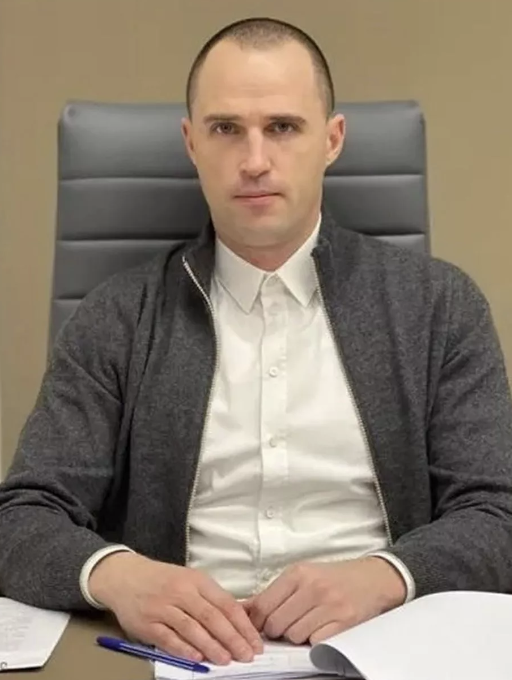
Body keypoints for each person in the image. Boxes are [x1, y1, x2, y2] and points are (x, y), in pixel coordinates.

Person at [1, 15, 512, 668]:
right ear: (191, 142)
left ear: (332, 140)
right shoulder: (117, 316)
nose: (254, 161)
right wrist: (119, 575)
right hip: (178, 661)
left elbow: (497, 513)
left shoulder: (439, 306)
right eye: (225, 129)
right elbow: (22, 516)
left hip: (382, 650)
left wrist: (389, 575)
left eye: (283, 127)